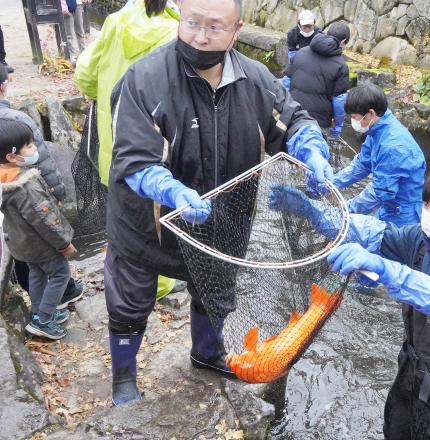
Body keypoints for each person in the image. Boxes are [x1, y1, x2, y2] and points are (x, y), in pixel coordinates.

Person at [105, 0, 332, 405]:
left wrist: (310, 147)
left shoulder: (257, 80)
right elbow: (134, 160)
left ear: (236, 30)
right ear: (180, 18)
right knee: (129, 302)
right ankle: (123, 376)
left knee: (215, 294)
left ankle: (207, 353)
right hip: (148, 225)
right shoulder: (144, 79)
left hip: (221, 221)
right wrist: (169, 189)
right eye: (192, 23)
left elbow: (294, 119)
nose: (199, 35)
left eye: (214, 27)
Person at [269, 162, 430, 439]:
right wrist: (316, 212)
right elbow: (372, 231)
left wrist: (384, 269)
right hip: (411, 370)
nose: (428, 216)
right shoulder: (423, 238)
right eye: (426, 205)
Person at [75, 0, 184, 300]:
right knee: (159, 214)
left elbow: (84, 75)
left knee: (122, 214)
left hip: (112, 147)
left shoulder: (114, 22)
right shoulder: (177, 33)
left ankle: (123, 273)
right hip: (155, 149)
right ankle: (160, 285)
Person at [0, 120, 79, 340]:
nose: (35, 149)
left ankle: (39, 312)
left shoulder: (4, 182)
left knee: (37, 274)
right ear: (12, 157)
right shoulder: (26, 185)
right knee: (60, 273)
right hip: (40, 244)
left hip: (20, 244)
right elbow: (46, 219)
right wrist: (64, 243)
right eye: (30, 146)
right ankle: (43, 320)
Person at [333, 82, 425, 226]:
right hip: (388, 206)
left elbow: (380, 192)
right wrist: (332, 183)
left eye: (355, 117)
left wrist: (344, 211)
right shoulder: (376, 130)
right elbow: (362, 164)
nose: (352, 121)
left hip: (403, 214)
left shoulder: (393, 147)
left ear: (371, 113)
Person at [283, 22, 350, 139]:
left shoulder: (301, 52)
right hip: (319, 123)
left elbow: (286, 82)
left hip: (293, 115)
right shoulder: (341, 65)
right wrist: (338, 126)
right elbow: (339, 101)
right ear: (343, 41)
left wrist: (285, 110)